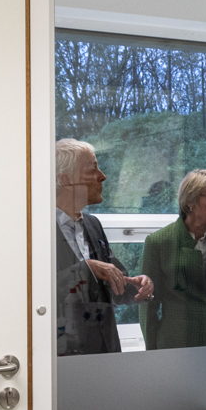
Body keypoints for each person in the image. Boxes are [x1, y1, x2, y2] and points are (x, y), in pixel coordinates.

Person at [55, 138, 154, 355]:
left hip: (104, 353)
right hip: (61, 357)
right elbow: (37, 294)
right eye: (93, 168)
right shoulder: (37, 232)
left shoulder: (93, 225)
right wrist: (86, 268)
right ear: (64, 179)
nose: (103, 176)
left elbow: (113, 286)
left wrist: (134, 286)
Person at [140, 168, 206, 350]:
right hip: (177, 344)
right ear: (190, 201)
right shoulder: (158, 242)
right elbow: (148, 305)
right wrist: (153, 351)